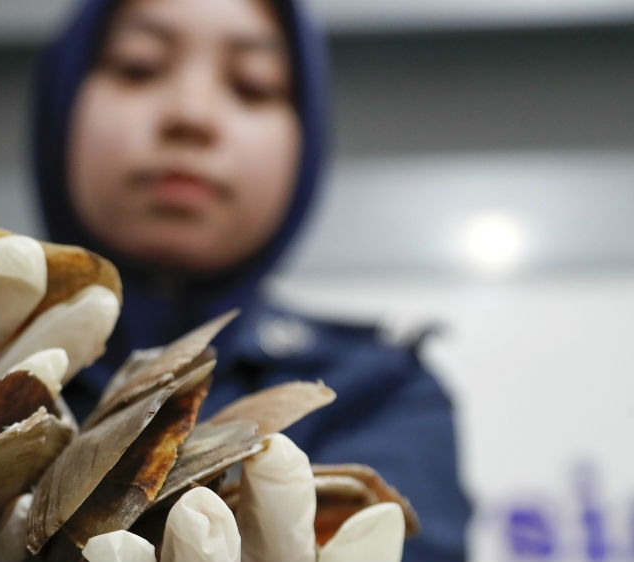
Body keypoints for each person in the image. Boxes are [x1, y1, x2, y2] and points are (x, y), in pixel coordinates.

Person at [30, 0, 472, 560]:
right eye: (138, 67)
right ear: (61, 102)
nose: (191, 114)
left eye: (253, 85)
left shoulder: (378, 389)